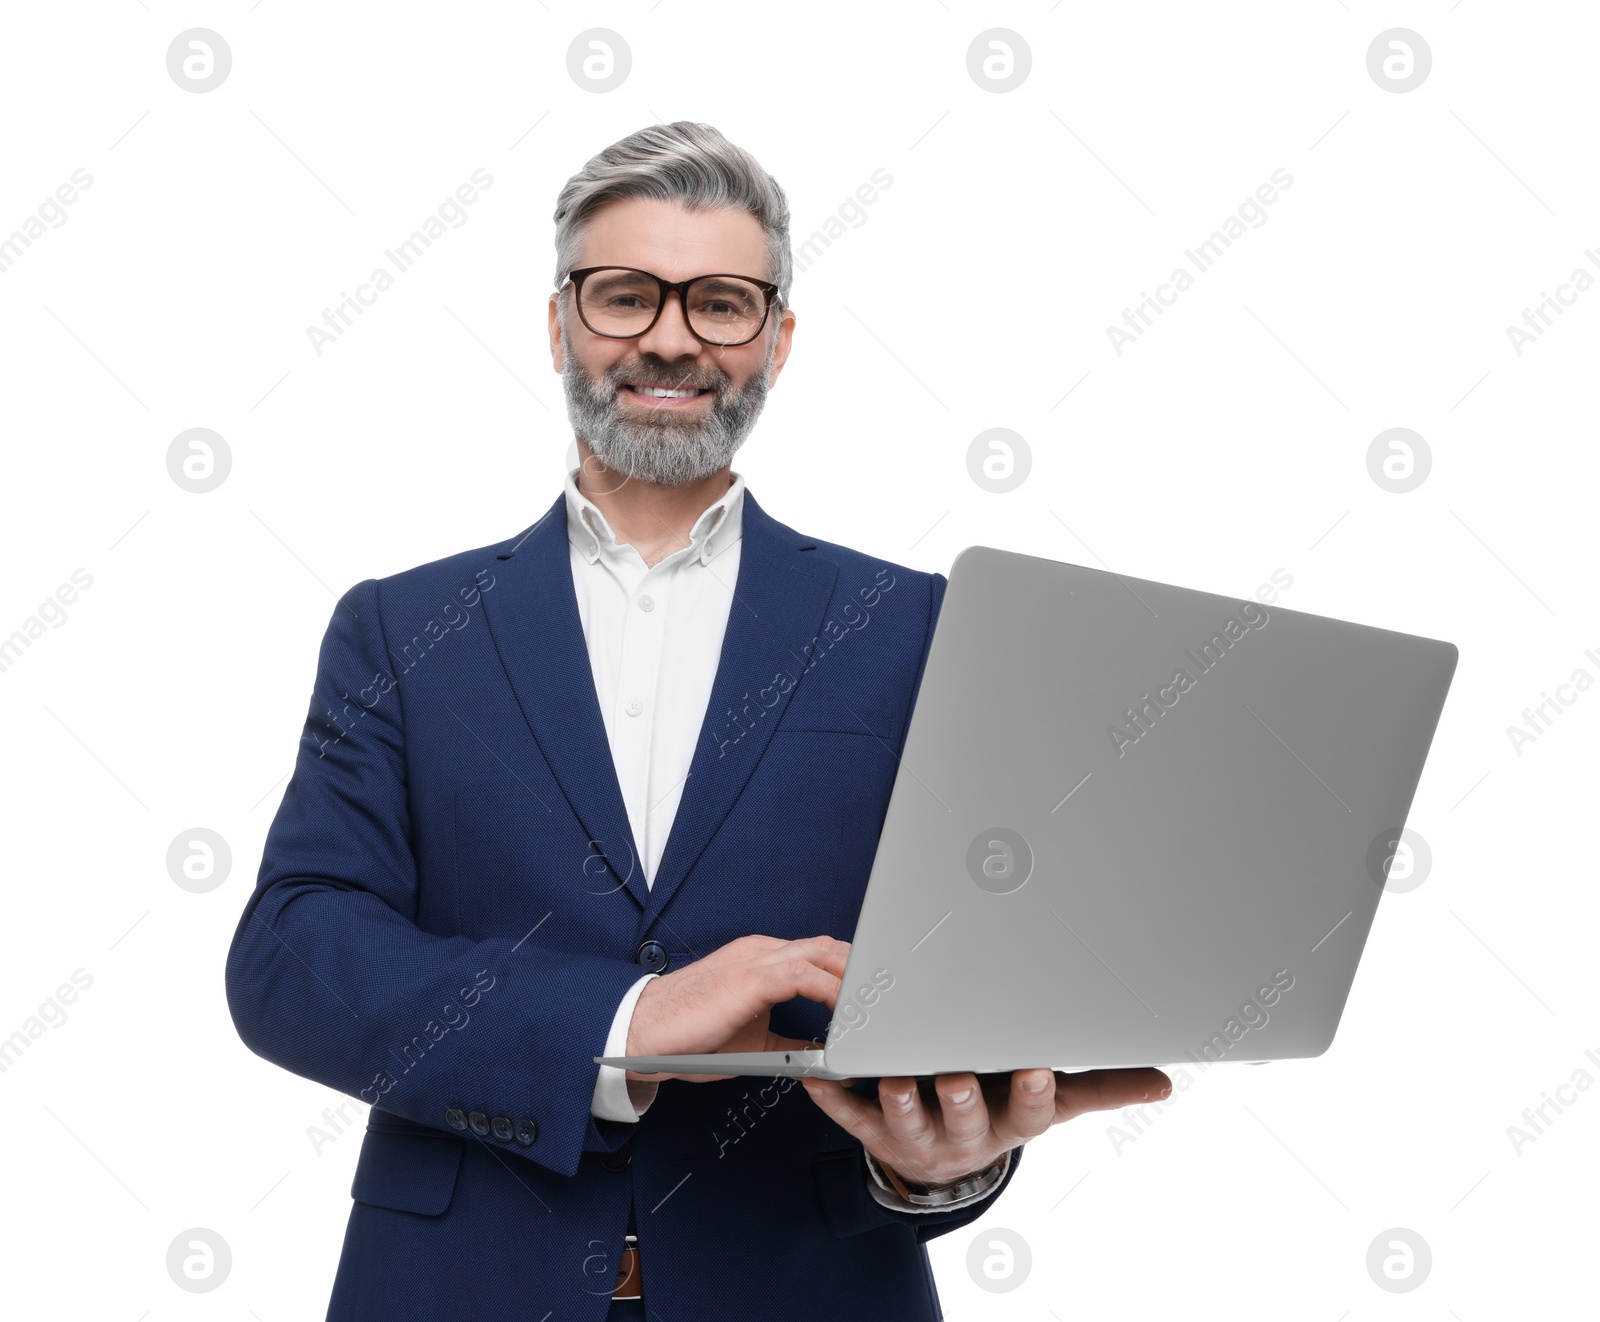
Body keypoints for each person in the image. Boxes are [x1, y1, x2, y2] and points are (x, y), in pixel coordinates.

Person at [224, 119, 1169, 1321]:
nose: (670, 337)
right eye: (625, 295)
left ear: (777, 337)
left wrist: (945, 1163)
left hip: (807, 1284)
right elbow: (295, 957)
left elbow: (969, 966)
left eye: (719, 301)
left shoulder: (918, 627)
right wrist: (618, 1024)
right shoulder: (403, 629)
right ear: (559, 320)